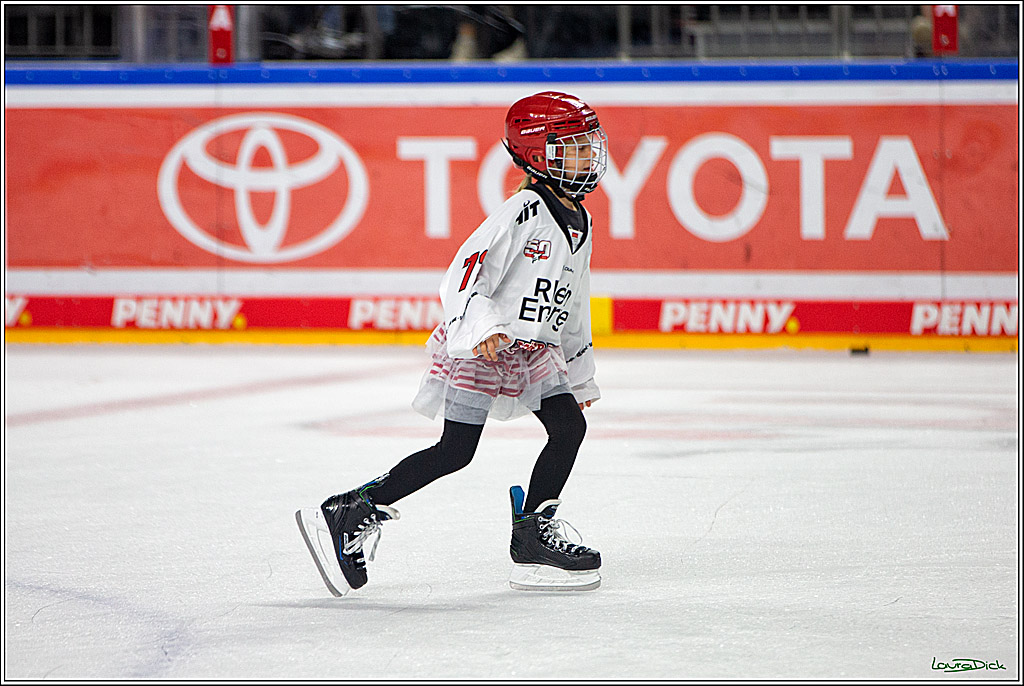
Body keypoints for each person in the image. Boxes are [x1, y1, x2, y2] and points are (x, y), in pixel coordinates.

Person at [296, 91, 608, 594]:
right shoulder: (521, 213)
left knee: (569, 426)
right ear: (536, 151)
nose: (587, 155)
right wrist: (483, 329)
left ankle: (531, 536)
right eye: (572, 146)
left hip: (535, 353)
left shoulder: (581, 220)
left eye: (588, 144)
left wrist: (580, 371)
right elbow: (464, 277)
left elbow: (572, 300)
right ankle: (353, 508)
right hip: (484, 349)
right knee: (455, 451)